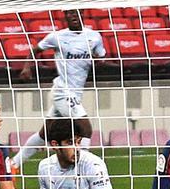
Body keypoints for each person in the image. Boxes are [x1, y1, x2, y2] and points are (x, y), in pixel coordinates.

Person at [12, 10, 106, 170]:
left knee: (45, 134)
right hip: (62, 91)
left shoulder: (94, 36)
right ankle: (82, 170)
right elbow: (35, 50)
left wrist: (98, 61)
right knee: (85, 129)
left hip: (75, 93)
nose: (73, 16)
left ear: (82, 14)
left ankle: (13, 164)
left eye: (76, 13)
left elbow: (101, 59)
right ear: (66, 18)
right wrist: (27, 68)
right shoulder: (57, 37)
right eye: (69, 14)